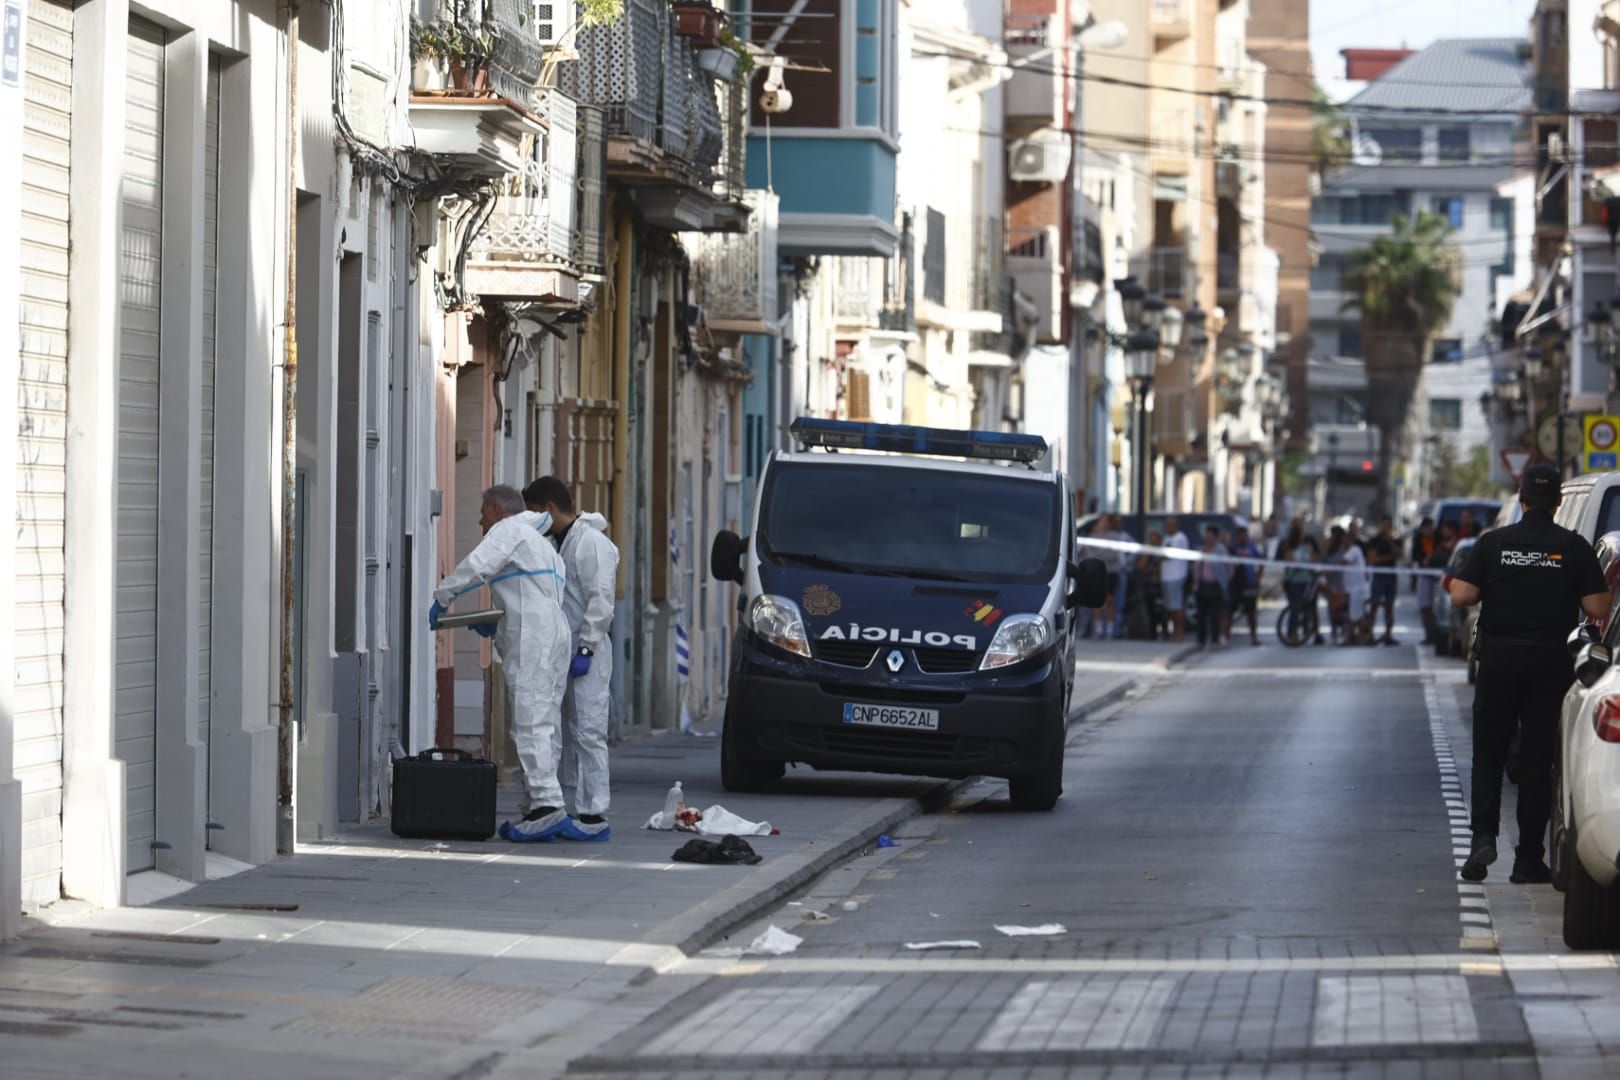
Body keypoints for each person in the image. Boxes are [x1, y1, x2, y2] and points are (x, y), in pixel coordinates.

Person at [1450, 464, 1608, 884]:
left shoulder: (1494, 543)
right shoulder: (1572, 548)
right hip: (1549, 665)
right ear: (1557, 502)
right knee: (1538, 761)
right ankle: (1527, 860)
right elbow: (1597, 608)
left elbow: (1462, 594)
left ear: (1521, 500)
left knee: (1488, 754)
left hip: (1499, 660)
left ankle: (1483, 838)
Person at [432, 485, 574, 842]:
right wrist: (496, 623)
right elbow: (529, 596)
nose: (480, 520)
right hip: (553, 634)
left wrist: (444, 596)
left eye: (483, 512)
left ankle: (547, 805)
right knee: (546, 721)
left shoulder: (509, 530)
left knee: (530, 720)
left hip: (534, 639)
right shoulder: (543, 546)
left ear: (496, 509)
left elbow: (478, 566)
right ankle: (539, 804)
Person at [524, 476, 622, 842]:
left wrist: (587, 647)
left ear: (548, 508)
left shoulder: (592, 544)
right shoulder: (556, 542)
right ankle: (563, 806)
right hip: (560, 649)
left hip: (587, 653)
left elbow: (601, 601)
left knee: (589, 730)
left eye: (535, 513)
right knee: (562, 730)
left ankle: (594, 812)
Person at [1193, 526, 1230, 649]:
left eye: (1210, 535)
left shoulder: (1221, 550)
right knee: (1201, 615)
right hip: (1202, 586)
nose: (1208, 538)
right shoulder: (1202, 550)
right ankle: (1201, 640)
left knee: (1215, 615)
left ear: (1215, 537)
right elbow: (1197, 567)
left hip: (1215, 587)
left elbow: (1229, 568)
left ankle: (1215, 640)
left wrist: (1224, 581)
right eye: (1206, 535)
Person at [1366, 516, 1400, 645]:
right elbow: (1373, 559)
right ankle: (1370, 634)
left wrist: (1390, 542)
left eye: (1388, 526)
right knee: (1374, 605)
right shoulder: (1375, 541)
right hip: (1379, 577)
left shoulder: (1395, 540)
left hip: (1391, 577)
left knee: (1389, 607)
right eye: (1384, 525)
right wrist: (1390, 557)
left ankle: (1388, 634)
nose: (1386, 528)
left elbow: (1399, 554)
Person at [1336, 525, 1372, 644]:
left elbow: (1343, 562)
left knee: (1354, 615)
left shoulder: (1354, 550)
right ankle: (1356, 636)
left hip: (1358, 589)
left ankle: (1356, 637)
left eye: (1345, 540)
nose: (1343, 543)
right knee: (1355, 614)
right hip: (1352, 589)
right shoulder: (1349, 551)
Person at [1228, 524, 1262, 645]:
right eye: (1241, 534)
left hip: (1249, 584)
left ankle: (1254, 637)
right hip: (1235, 585)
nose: (1243, 537)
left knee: (1251, 613)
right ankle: (1225, 637)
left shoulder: (1251, 547)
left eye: (1245, 534)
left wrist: (1258, 576)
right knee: (1229, 611)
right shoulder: (1231, 548)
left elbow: (1261, 561)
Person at [1161, 516, 1191, 642]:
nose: (1166, 527)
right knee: (1171, 607)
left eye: (1169, 525)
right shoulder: (1167, 538)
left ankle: (1180, 632)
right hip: (1166, 576)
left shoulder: (1180, 538)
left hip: (1176, 576)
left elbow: (1167, 555)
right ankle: (1174, 631)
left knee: (1177, 606)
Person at [1411, 518, 1440, 644]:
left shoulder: (1439, 539)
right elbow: (1414, 556)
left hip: (1438, 576)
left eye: (1431, 527)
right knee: (1425, 607)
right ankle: (1429, 635)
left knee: (1436, 607)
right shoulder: (1418, 540)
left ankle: (1437, 634)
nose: (1429, 530)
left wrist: (1433, 558)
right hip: (1424, 575)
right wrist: (1423, 560)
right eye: (1427, 528)